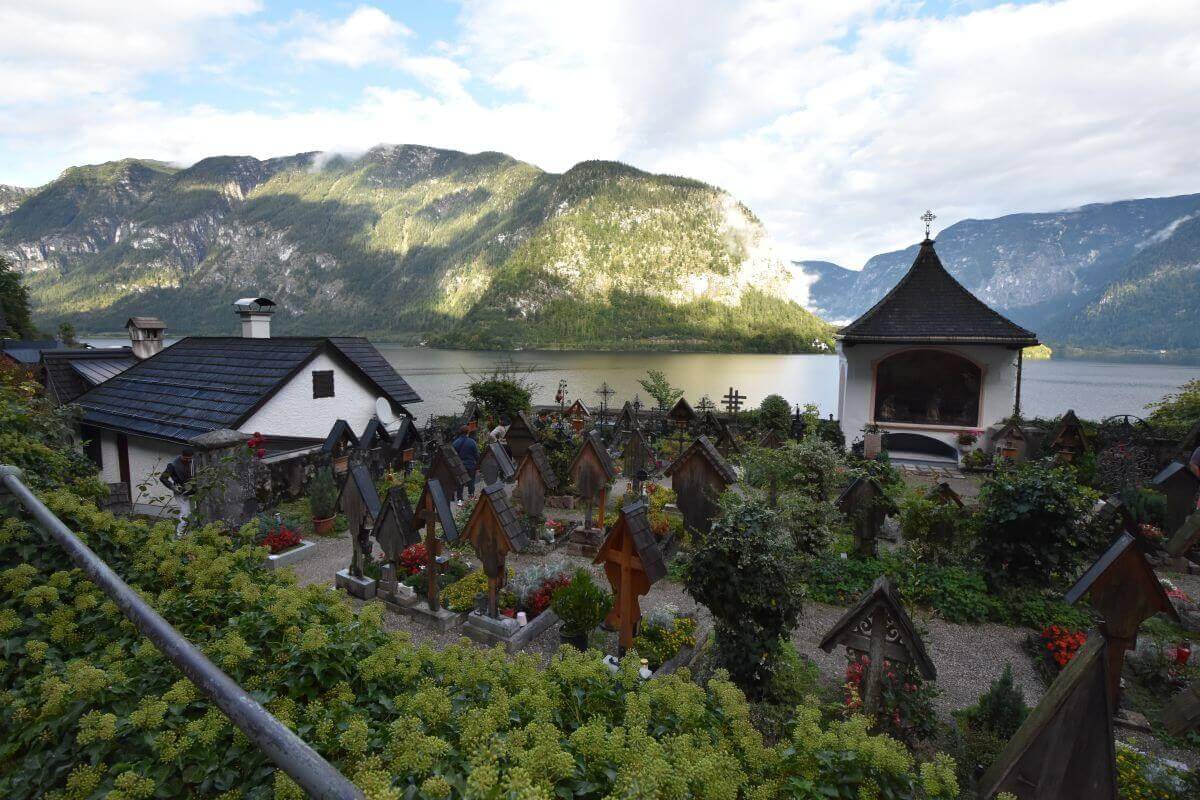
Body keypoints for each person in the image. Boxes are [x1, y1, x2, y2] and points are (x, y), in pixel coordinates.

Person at [160, 449, 195, 536]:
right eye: (186, 458)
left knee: (195, 513)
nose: (188, 460)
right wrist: (173, 487)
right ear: (181, 455)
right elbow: (163, 478)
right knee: (185, 513)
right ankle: (179, 535)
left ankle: (191, 533)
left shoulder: (194, 462)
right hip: (181, 492)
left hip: (194, 491)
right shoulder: (172, 465)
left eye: (189, 459)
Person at [451, 426, 479, 504]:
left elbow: (452, 456)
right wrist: (478, 465)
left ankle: (460, 500)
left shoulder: (455, 442)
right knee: (471, 481)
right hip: (470, 465)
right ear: (468, 432)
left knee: (460, 482)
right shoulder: (472, 442)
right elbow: (476, 455)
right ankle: (471, 496)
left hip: (460, 466)